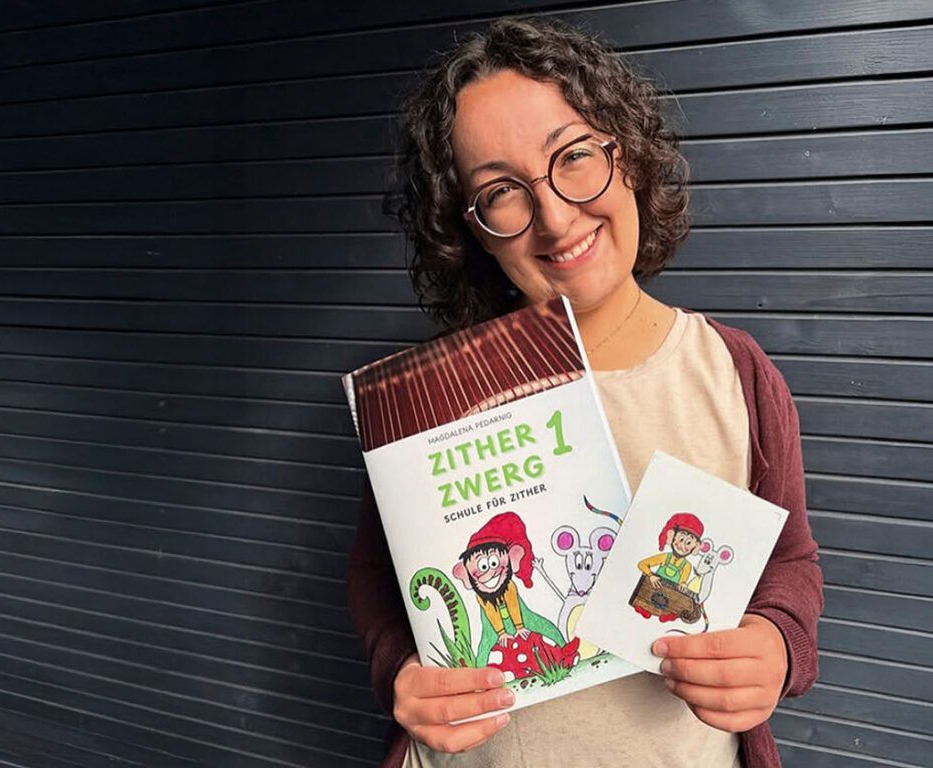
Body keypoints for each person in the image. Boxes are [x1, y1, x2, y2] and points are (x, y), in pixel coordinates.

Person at [348, 16, 823, 768]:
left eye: (573, 156)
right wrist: (400, 670)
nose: (556, 216)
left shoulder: (733, 372)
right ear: (469, 228)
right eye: (500, 191)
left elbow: (789, 559)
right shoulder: (433, 396)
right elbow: (378, 576)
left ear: (625, 154)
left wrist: (777, 643)